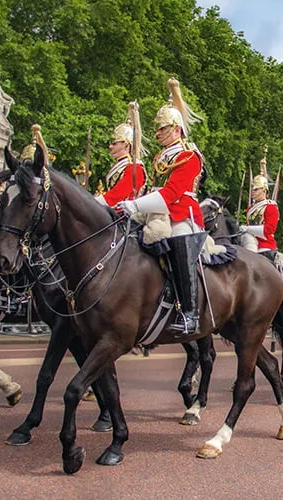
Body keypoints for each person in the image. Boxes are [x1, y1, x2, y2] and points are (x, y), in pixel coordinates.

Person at [117, 78, 206, 334]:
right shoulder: (161, 157)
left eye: (162, 128)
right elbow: (155, 190)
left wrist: (135, 205)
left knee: (178, 241)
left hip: (182, 212)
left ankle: (190, 313)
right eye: (156, 129)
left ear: (176, 129)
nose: (157, 133)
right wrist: (134, 204)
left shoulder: (189, 155)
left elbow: (172, 193)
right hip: (159, 209)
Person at [94, 115, 147, 207]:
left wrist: (93, 202)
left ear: (127, 145)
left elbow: (117, 195)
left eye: (114, 144)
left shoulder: (135, 168)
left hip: (126, 214)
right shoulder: (122, 165)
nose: (110, 147)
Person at [240, 148, 279, 260]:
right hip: (249, 243)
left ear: (264, 190)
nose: (253, 191)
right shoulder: (250, 208)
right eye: (252, 189)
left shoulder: (270, 207)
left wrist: (247, 229)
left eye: (256, 189)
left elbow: (269, 229)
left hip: (265, 246)